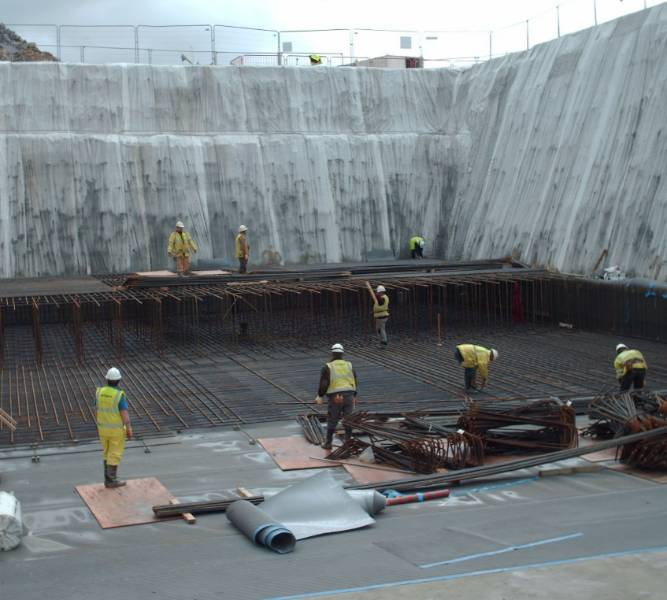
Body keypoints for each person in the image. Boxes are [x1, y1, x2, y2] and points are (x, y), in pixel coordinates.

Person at [314, 343, 358, 450]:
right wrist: (354, 395)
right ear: (342, 353)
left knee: (332, 419)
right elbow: (355, 380)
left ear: (332, 353)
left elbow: (324, 383)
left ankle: (328, 443)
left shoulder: (328, 366)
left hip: (336, 397)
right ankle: (347, 443)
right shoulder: (349, 365)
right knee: (348, 420)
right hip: (349, 395)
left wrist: (320, 396)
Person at [95, 368, 133, 488]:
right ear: (119, 380)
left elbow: (97, 409)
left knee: (106, 453)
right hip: (115, 430)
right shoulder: (118, 395)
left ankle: (108, 479)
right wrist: (128, 428)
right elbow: (124, 413)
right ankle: (111, 480)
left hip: (102, 429)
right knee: (115, 453)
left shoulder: (99, 392)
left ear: (107, 379)